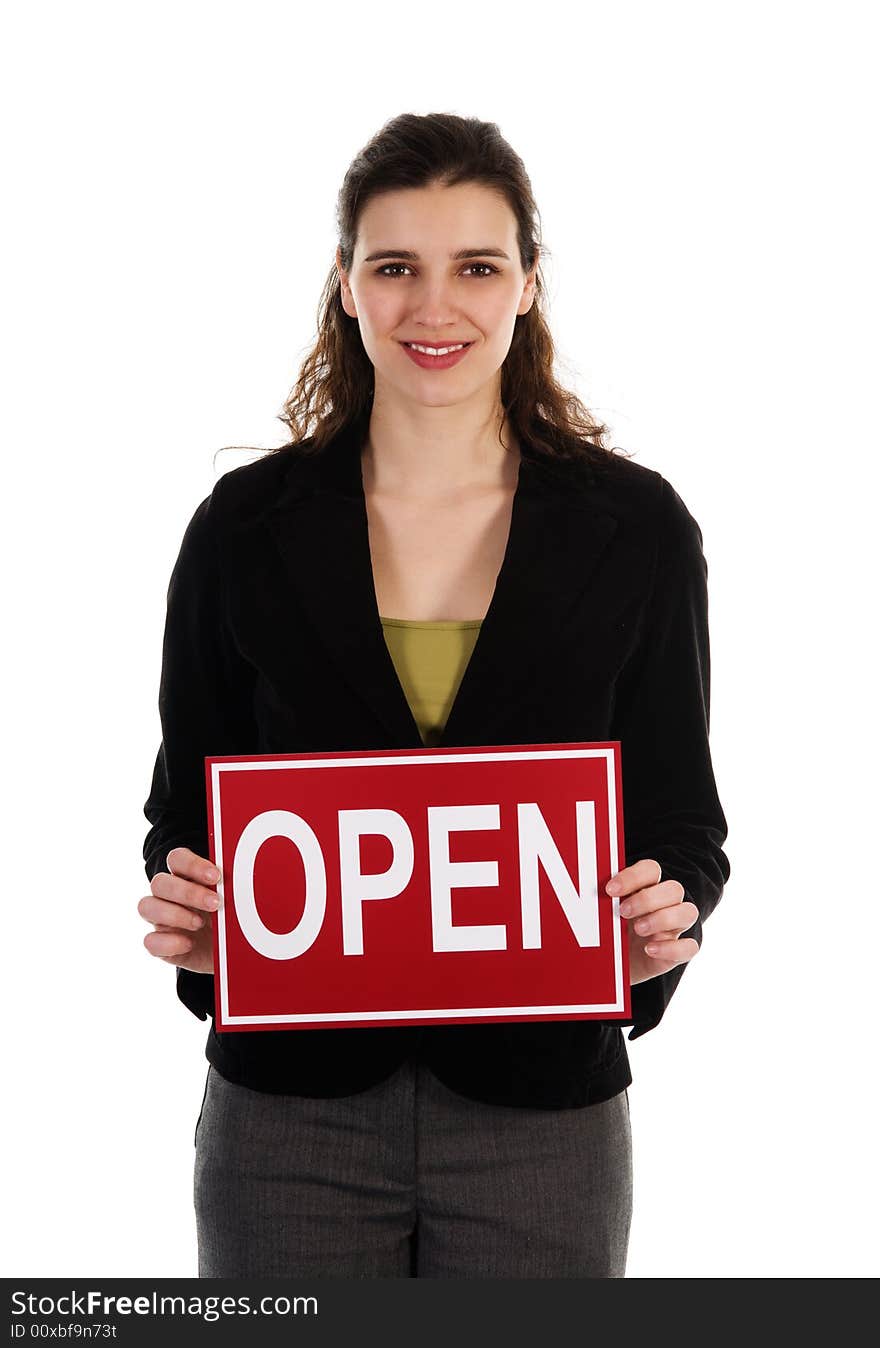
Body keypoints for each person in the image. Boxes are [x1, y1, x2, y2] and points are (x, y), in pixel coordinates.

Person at [139, 111, 730, 1279]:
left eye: (475, 266)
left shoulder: (636, 531)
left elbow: (678, 818)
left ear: (526, 285)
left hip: (542, 1111)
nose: (433, 306)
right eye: (394, 266)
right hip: (289, 1116)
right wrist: (195, 909)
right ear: (348, 287)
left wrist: (662, 917)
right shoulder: (244, 532)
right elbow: (186, 804)